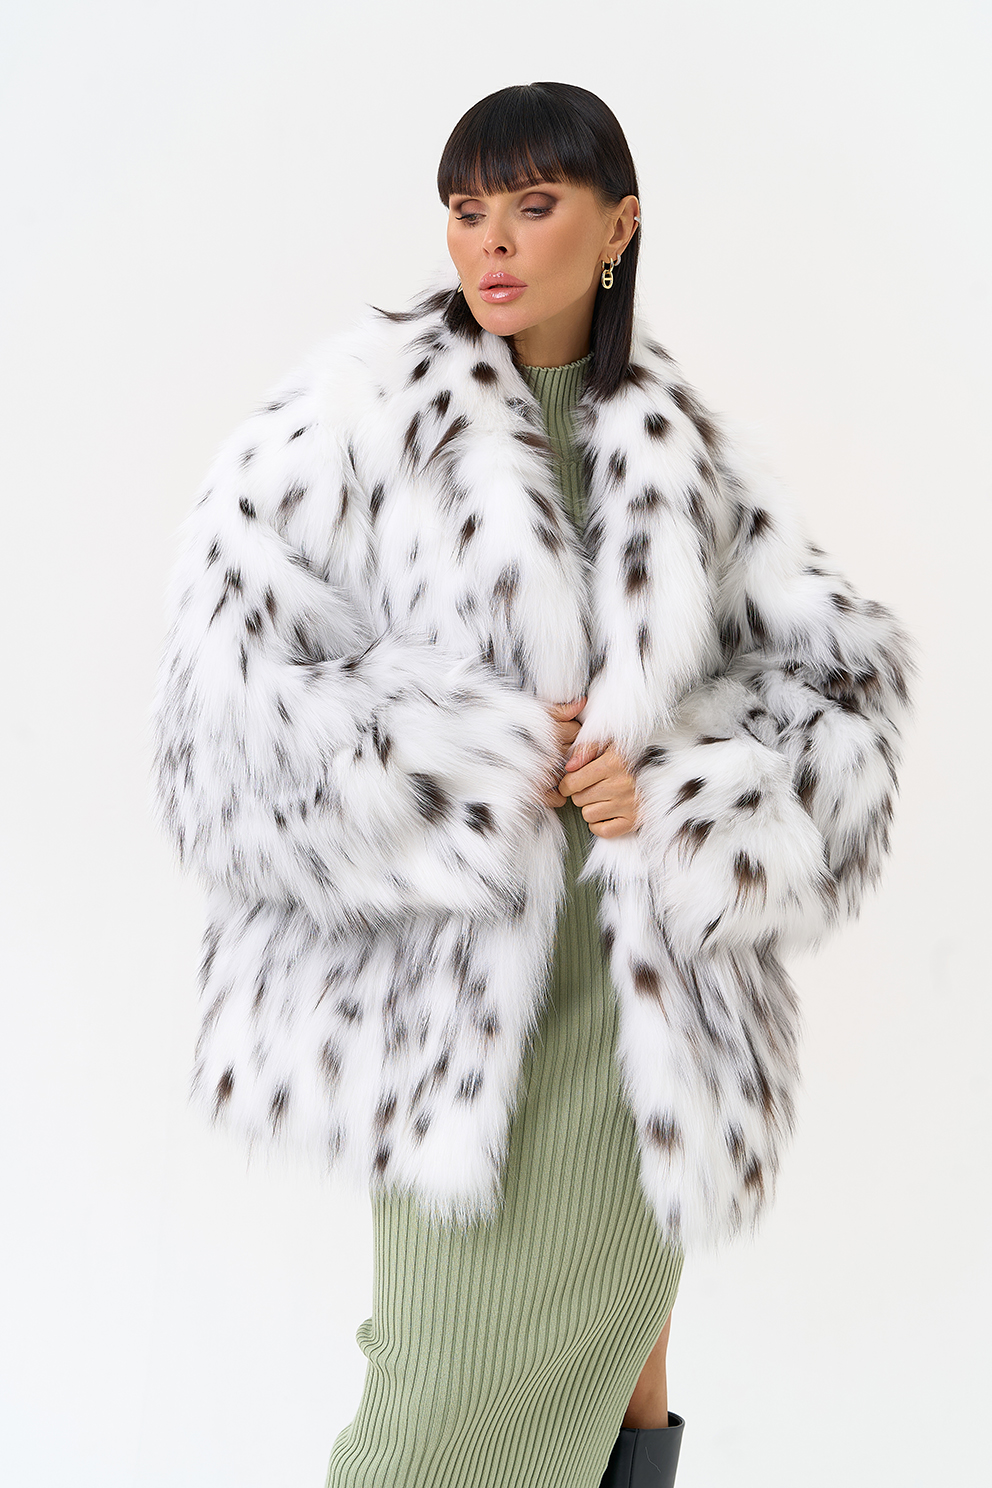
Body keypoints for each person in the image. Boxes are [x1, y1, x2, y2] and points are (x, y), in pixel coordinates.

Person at [152, 81, 915, 1488]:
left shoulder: (689, 458)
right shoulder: (356, 422)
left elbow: (847, 694)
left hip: (644, 1019)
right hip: (447, 1014)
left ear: (618, 227)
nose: (491, 242)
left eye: (533, 204)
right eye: (466, 210)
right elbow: (221, 709)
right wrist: (474, 756)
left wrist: (681, 788)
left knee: (624, 1377)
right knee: (436, 1413)